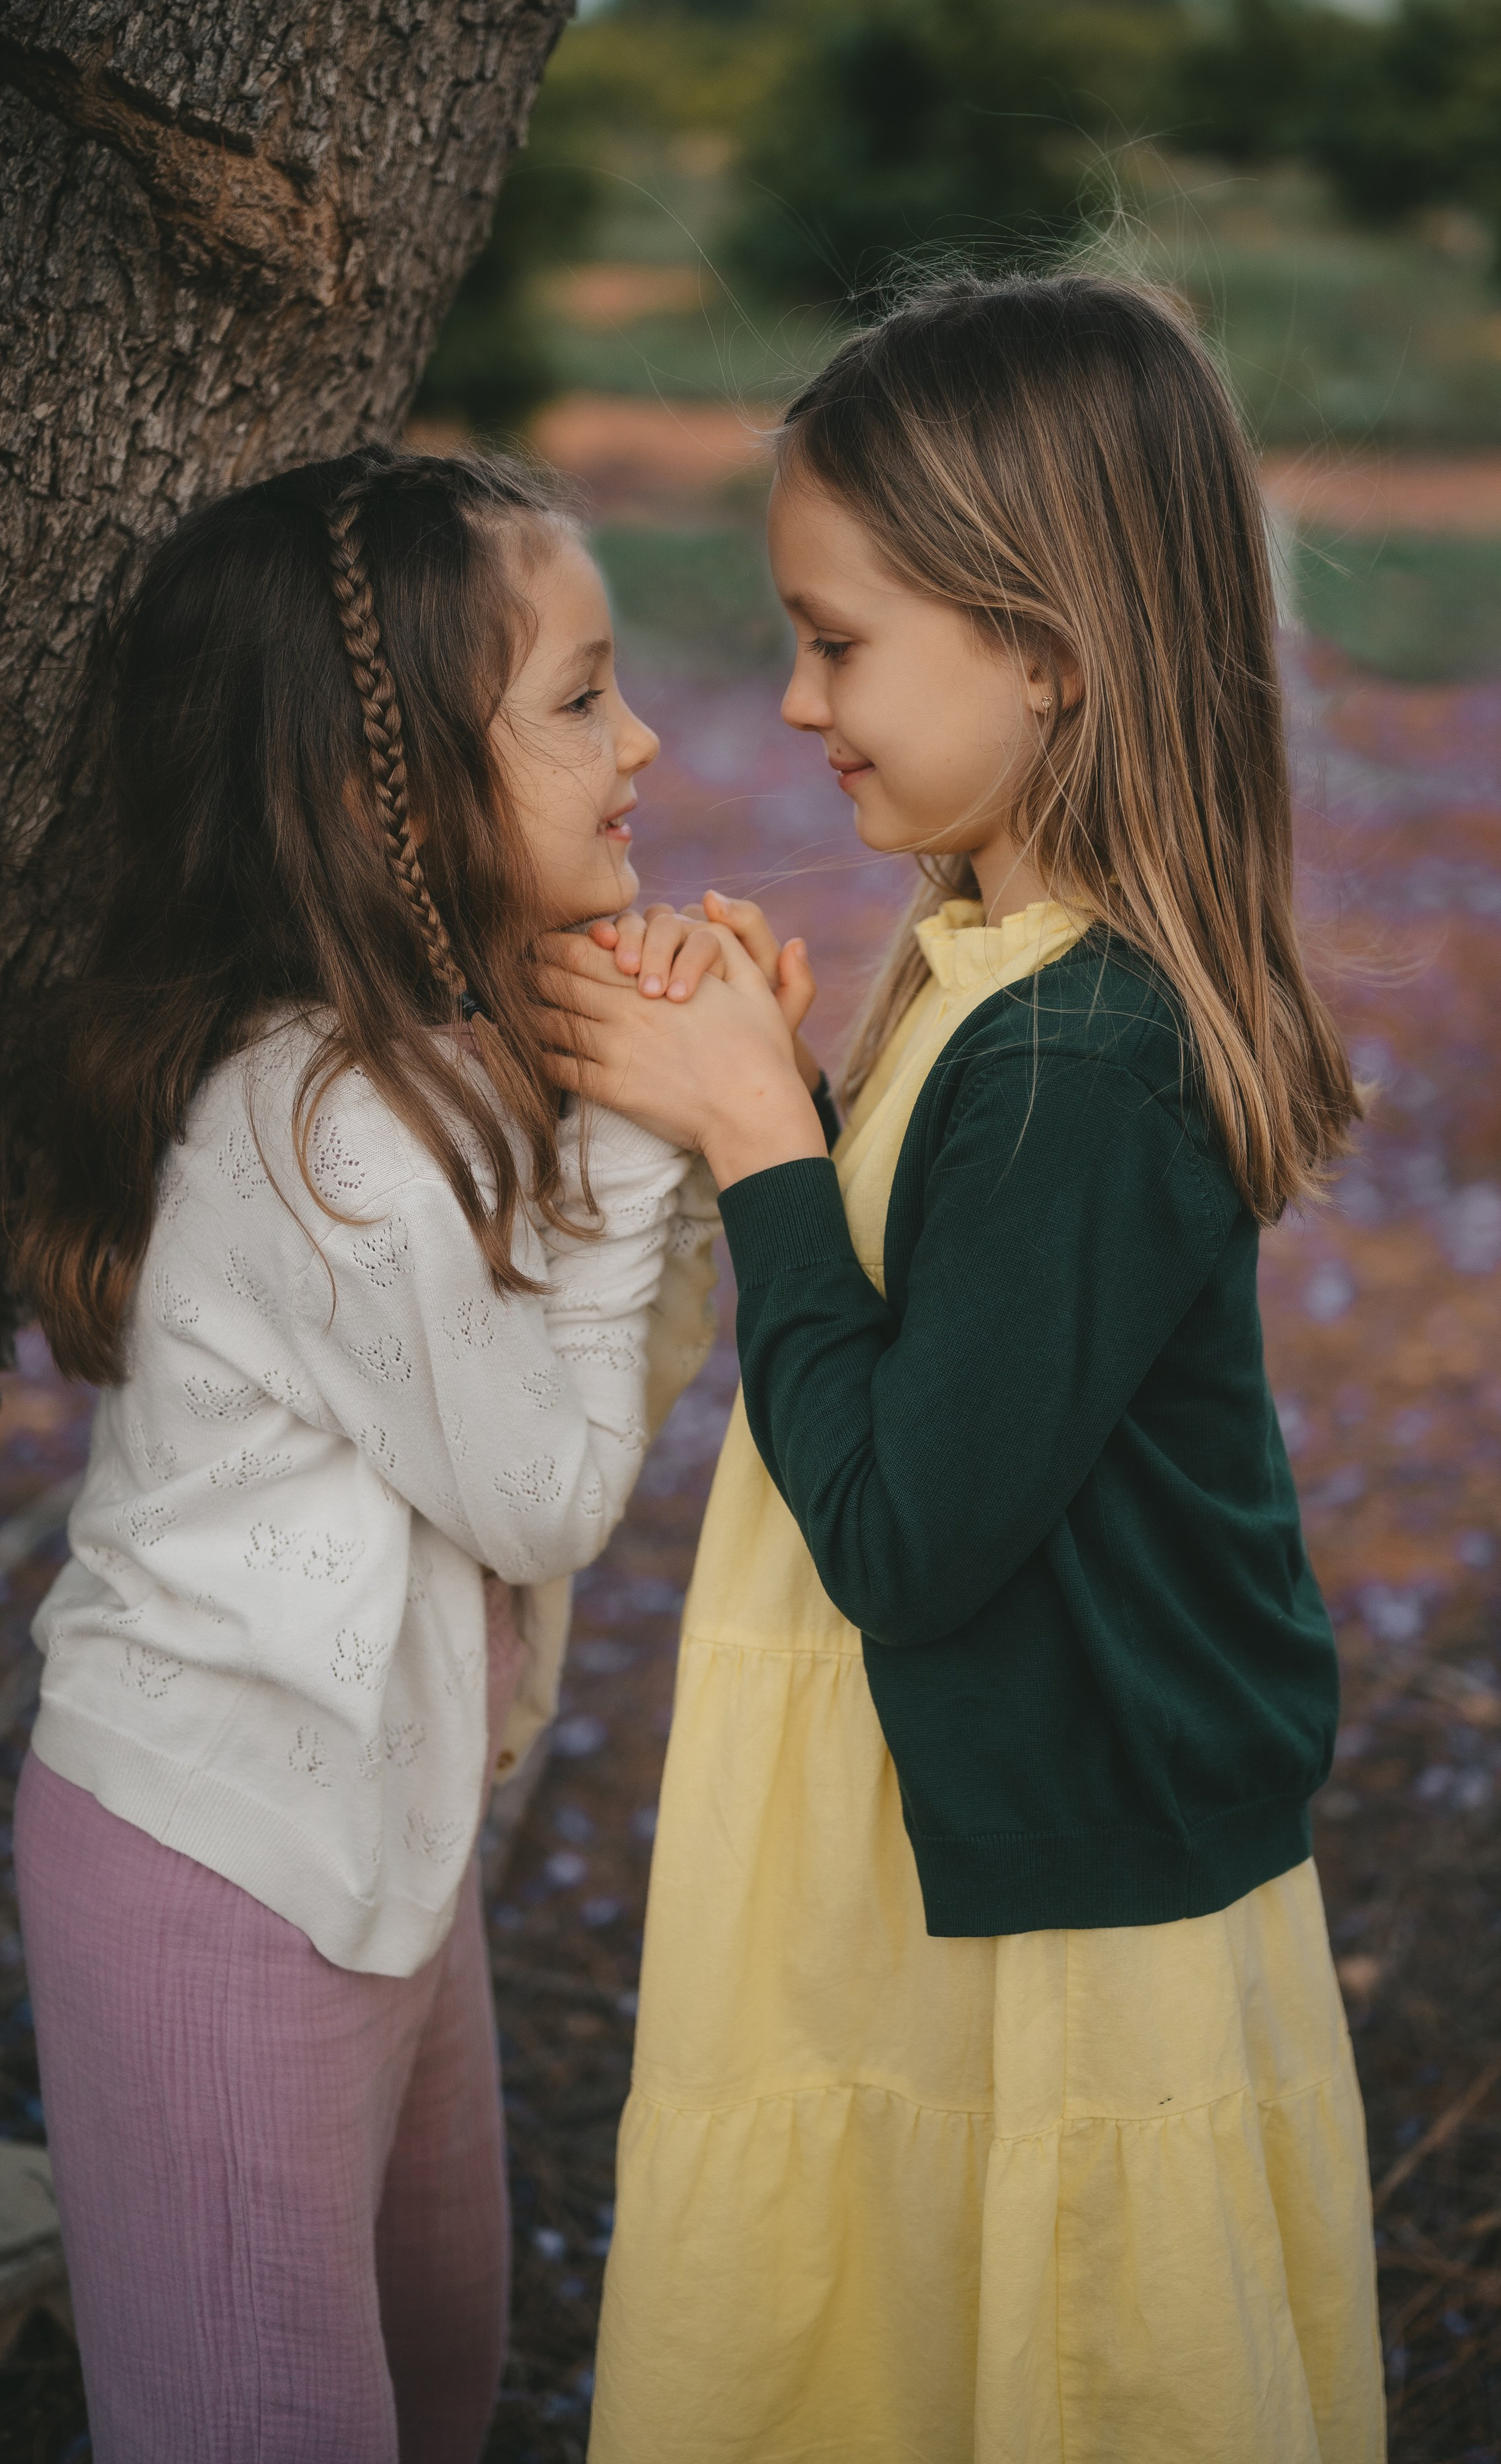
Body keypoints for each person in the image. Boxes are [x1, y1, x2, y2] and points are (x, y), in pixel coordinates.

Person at [546, 275, 1387, 2464]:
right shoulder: (1002, 977)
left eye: (838, 641)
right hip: (973, 1847)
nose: (797, 699)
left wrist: (762, 1144)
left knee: (1059, 2372)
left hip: (1065, 1909)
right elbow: (962, 1348)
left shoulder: (1082, 1053)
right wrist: (792, 1108)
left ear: (1047, 647)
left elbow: (908, 1533)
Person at [9, 445, 806, 2464]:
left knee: (439, 2361)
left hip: (383, 1846)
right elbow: (544, 1493)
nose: (642, 740)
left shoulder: (434, 1061)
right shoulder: (321, 1131)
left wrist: (689, 1102)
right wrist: (648, 1128)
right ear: (395, 799)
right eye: (580, 700)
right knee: (265, 2421)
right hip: (215, 1865)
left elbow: (575, 1394)